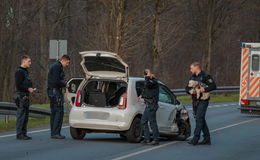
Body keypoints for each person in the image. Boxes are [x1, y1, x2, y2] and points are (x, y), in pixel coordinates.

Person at [185, 62, 216, 145]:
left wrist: (205, 89)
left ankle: (195, 138)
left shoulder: (206, 76)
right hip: (195, 100)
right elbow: (187, 87)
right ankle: (207, 139)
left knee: (199, 117)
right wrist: (190, 91)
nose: (190, 70)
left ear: (196, 67)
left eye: (191, 68)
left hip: (203, 100)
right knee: (199, 119)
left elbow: (213, 86)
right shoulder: (192, 77)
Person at [47, 55, 70, 139]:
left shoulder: (55, 65)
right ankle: (56, 133)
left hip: (52, 91)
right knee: (59, 112)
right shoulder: (57, 67)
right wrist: (64, 85)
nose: (68, 64)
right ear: (63, 60)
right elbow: (56, 80)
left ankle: (53, 132)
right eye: (67, 62)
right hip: (55, 91)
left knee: (54, 112)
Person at [15, 55, 36, 140]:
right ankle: (19, 134)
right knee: (21, 115)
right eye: (29, 61)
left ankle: (24, 133)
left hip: (26, 96)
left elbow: (27, 83)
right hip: (21, 96)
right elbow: (18, 85)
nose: (30, 63)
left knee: (26, 116)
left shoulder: (26, 71)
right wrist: (28, 88)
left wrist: (31, 88)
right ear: (23, 61)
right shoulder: (19, 71)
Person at [138, 69, 160, 145]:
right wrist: (141, 95)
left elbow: (148, 85)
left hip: (152, 104)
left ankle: (156, 139)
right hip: (148, 105)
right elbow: (146, 90)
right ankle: (147, 139)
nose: (146, 75)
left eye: (147, 73)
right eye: (145, 74)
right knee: (143, 121)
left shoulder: (153, 82)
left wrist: (148, 77)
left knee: (152, 122)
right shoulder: (147, 81)